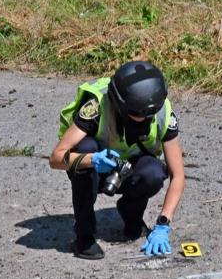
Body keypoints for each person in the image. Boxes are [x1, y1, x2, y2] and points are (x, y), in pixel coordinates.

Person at [49, 61, 185, 260]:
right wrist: (91, 159)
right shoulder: (97, 106)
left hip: (130, 170)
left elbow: (178, 175)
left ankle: (132, 215)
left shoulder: (162, 110)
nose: (146, 118)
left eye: (150, 113)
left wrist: (163, 224)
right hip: (96, 167)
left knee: (154, 173)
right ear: (121, 106)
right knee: (85, 149)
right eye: (138, 114)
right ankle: (84, 235)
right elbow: (56, 158)